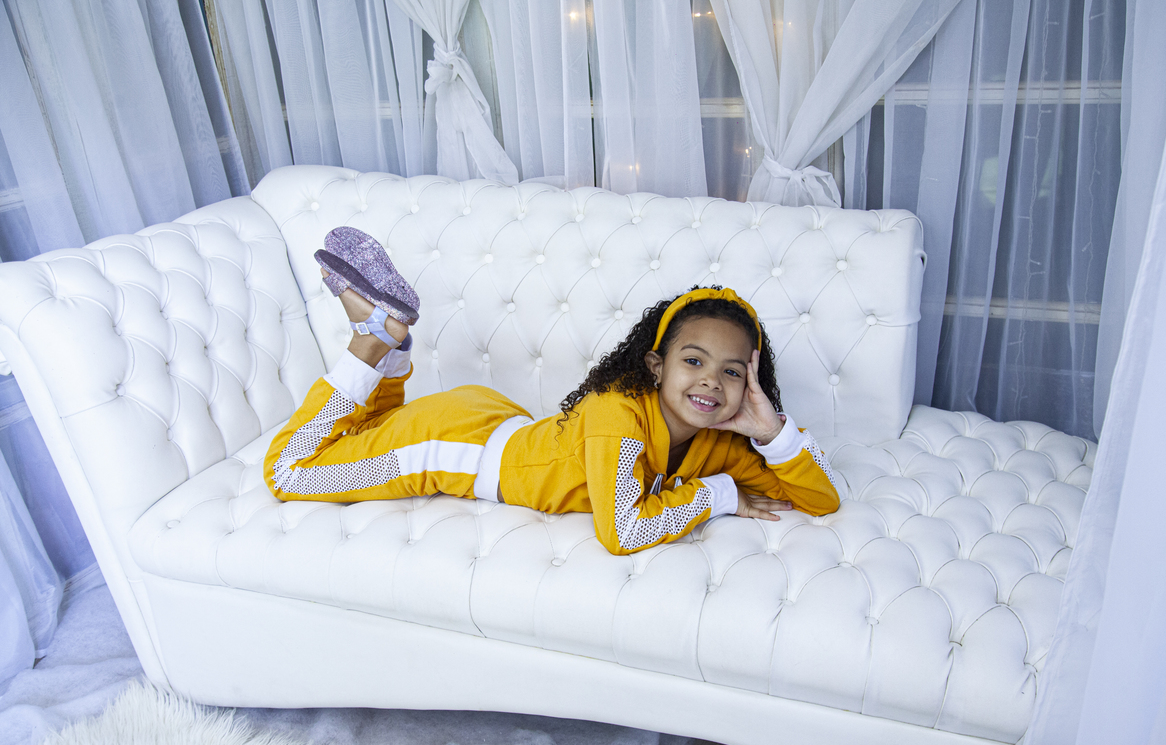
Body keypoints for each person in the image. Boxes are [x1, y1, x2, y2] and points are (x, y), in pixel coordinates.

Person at [265, 227, 840, 556]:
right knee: (290, 472)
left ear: (751, 384)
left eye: (734, 372)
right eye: (694, 361)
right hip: (457, 447)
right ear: (655, 366)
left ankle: (391, 347)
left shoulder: (724, 439)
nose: (712, 380)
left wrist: (772, 432)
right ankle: (372, 339)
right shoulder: (616, 413)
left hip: (491, 420)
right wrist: (718, 496)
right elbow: (623, 531)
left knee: (363, 435)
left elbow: (822, 500)